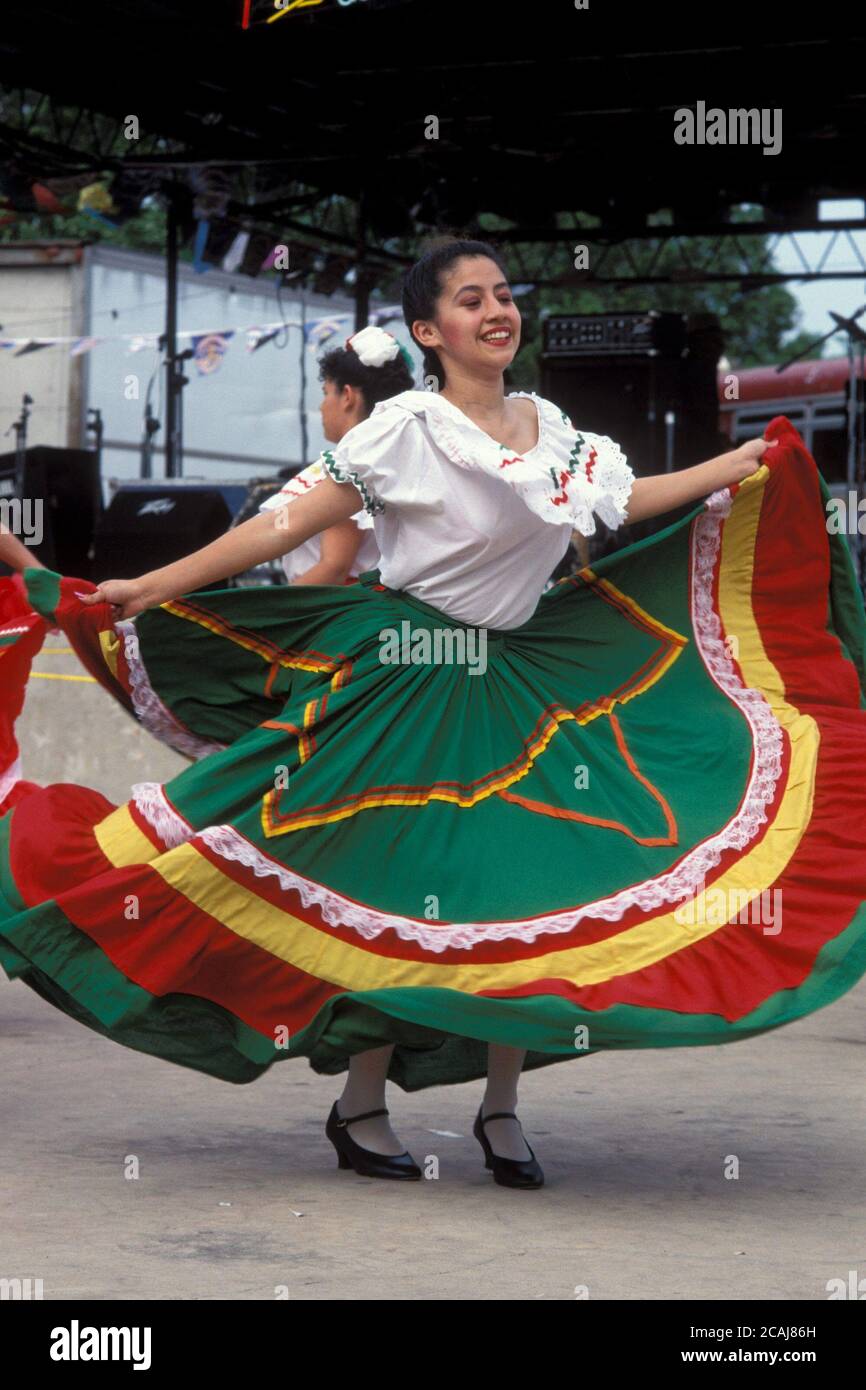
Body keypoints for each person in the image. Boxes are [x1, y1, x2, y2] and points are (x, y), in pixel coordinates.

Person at [3, 239, 865, 1192]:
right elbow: (285, 525)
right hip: (402, 682)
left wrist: (740, 462)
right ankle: (362, 1103)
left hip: (518, 686)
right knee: (394, 883)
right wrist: (152, 583)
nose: (497, 309)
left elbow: (624, 505)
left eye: (503, 293)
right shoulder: (405, 426)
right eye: (470, 299)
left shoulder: (557, 432)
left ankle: (500, 1109)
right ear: (430, 331)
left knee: (519, 888)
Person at [260, 331, 413, 586]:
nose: (321, 406)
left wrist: (276, 613)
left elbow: (334, 567)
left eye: (326, 392)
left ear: (347, 396)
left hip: (336, 608)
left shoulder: (354, 465)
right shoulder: (386, 457)